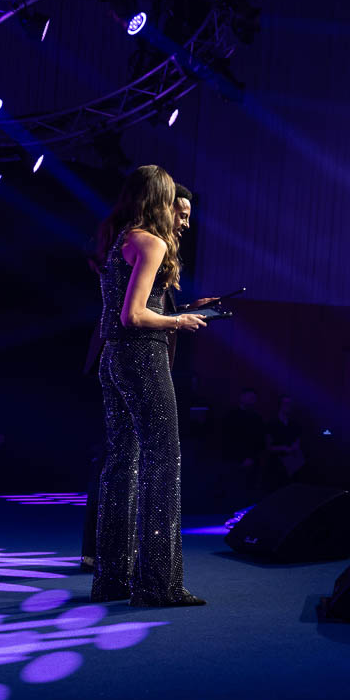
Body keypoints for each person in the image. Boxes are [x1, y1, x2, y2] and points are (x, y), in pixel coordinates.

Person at [91, 164, 207, 607]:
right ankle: (159, 584)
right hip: (142, 357)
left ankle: (113, 580)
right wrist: (179, 321)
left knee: (122, 464)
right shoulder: (153, 242)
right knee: (163, 462)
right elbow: (134, 315)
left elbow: (124, 310)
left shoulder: (121, 238)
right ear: (160, 198)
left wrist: (178, 311)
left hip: (113, 359)